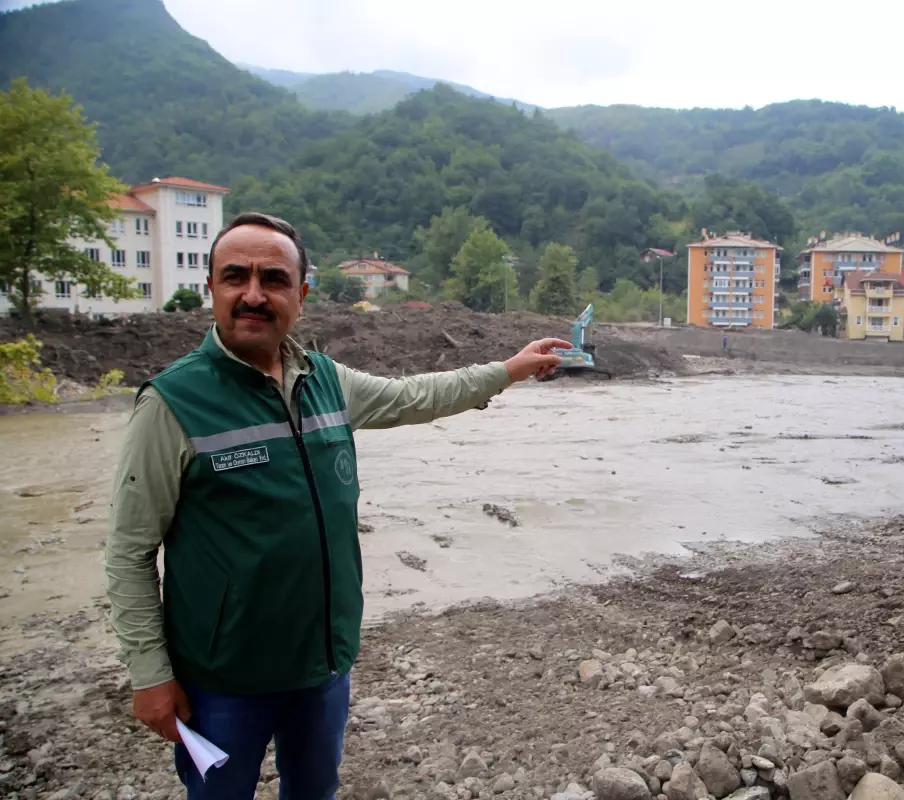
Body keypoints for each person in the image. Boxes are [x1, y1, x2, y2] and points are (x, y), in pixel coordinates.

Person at [104, 212, 569, 799]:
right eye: (235, 277)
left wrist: (508, 370)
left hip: (322, 667)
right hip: (222, 683)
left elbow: (416, 395)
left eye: (272, 279)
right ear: (211, 290)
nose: (252, 294)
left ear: (300, 295)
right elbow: (128, 552)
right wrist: (150, 674)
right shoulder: (172, 403)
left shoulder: (325, 379)